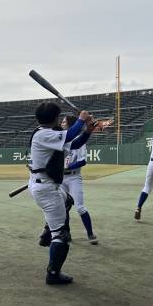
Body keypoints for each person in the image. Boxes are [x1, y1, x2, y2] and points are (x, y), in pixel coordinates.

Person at [29, 102, 96, 285]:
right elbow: (71, 133)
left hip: (47, 186)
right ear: (55, 119)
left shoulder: (50, 136)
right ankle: (53, 273)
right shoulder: (44, 134)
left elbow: (75, 142)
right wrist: (81, 119)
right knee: (62, 237)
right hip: (46, 189)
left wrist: (88, 131)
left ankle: (47, 232)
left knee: (68, 200)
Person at [60, 113, 99, 244]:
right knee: (62, 208)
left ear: (70, 125)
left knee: (80, 207)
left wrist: (68, 167)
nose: (61, 124)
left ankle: (90, 234)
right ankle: (67, 233)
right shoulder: (60, 140)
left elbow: (82, 162)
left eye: (64, 122)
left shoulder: (79, 140)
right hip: (61, 179)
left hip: (74, 178)